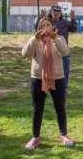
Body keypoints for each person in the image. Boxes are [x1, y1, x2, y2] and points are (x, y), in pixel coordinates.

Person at [22, 17, 74, 150]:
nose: (45, 27)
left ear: (52, 27)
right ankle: (35, 137)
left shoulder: (59, 38)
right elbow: (25, 54)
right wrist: (34, 39)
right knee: (37, 108)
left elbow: (65, 52)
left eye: (48, 25)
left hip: (57, 78)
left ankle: (64, 134)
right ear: (39, 28)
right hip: (38, 78)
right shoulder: (35, 40)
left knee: (60, 107)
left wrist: (55, 38)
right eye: (42, 25)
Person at [45, 5, 78, 97]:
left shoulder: (65, 22)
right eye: (54, 11)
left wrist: (73, 18)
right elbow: (37, 29)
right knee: (49, 70)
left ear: (61, 13)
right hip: (49, 50)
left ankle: (64, 90)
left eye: (58, 11)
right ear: (51, 12)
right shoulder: (47, 22)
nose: (56, 13)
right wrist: (42, 18)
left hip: (62, 51)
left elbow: (74, 29)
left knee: (64, 71)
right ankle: (47, 88)